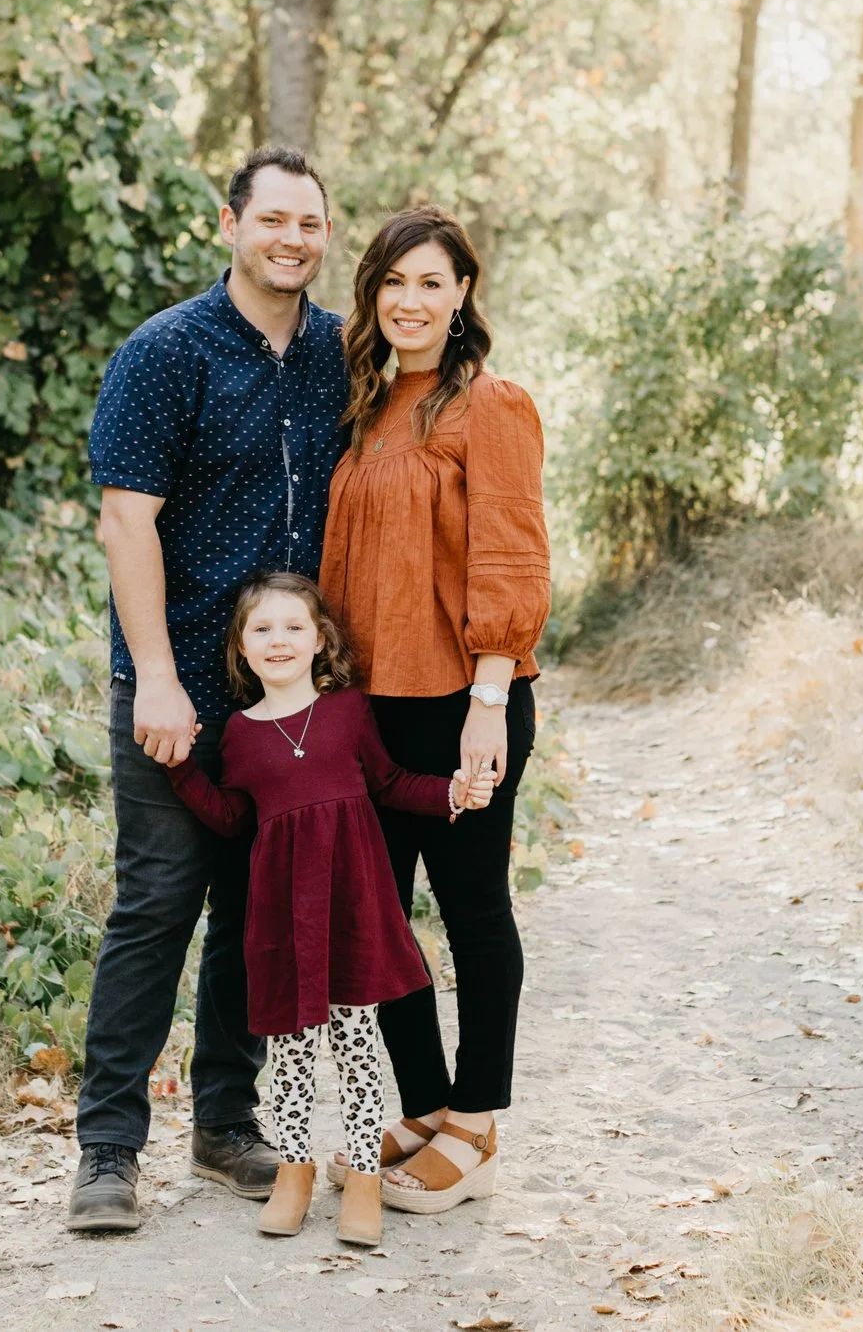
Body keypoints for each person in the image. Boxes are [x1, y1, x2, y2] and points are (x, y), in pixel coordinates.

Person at [66, 147, 350, 1234]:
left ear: (325, 237)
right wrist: (155, 677)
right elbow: (124, 520)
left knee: (253, 911)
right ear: (229, 224)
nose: (291, 239)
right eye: (272, 219)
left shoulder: (339, 355)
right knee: (157, 905)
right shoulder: (165, 352)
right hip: (176, 683)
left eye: (309, 223)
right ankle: (107, 1149)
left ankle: (226, 1123)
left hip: (289, 697)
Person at [318, 204, 550, 1216]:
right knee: (378, 919)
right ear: (372, 293)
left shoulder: (490, 405)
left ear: (461, 295)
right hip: (370, 708)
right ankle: (423, 1105)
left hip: (463, 700)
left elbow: (511, 556)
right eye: (393, 281)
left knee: (472, 910)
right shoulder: (367, 406)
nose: (409, 300)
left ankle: (477, 1121)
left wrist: (489, 702)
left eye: (430, 282)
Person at [161, 574, 495, 1245]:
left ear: (320, 640)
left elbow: (390, 783)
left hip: (351, 911)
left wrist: (451, 795)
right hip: (284, 920)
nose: (279, 640)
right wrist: (179, 767)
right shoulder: (239, 734)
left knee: (357, 1049)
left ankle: (364, 1179)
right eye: (262, 629)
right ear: (241, 647)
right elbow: (230, 818)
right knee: (288, 1057)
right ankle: (295, 1175)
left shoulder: (348, 711)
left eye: (294, 627)